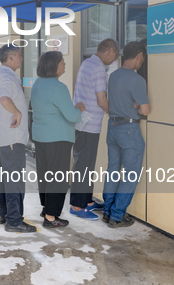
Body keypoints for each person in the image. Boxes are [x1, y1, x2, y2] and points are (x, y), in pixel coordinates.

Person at [31, 52, 85, 229]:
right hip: (58, 138)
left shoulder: (37, 83)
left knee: (45, 174)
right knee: (57, 177)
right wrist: (79, 109)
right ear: (54, 66)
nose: (65, 65)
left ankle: (46, 207)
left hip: (40, 136)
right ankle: (51, 217)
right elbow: (71, 116)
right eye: (62, 62)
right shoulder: (58, 87)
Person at [70, 38, 119, 220]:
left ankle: (86, 200)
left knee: (86, 164)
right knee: (83, 165)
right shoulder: (98, 68)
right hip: (89, 125)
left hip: (83, 122)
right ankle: (77, 205)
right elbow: (102, 100)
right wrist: (114, 113)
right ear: (110, 51)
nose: (114, 60)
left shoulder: (88, 62)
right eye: (114, 56)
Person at [103, 41, 150, 228]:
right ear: (139, 56)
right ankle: (117, 216)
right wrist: (139, 107)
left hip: (112, 127)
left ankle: (107, 211)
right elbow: (145, 111)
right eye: (143, 59)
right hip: (129, 130)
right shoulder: (137, 80)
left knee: (113, 170)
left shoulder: (112, 76)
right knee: (130, 175)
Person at [0, 44, 35, 233]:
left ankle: (3, 213)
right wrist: (17, 112)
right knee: (14, 179)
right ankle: (14, 221)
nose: (21, 58)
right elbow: (4, 99)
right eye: (19, 55)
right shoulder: (7, 77)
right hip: (11, 137)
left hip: (3, 136)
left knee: (3, 177)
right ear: (10, 58)